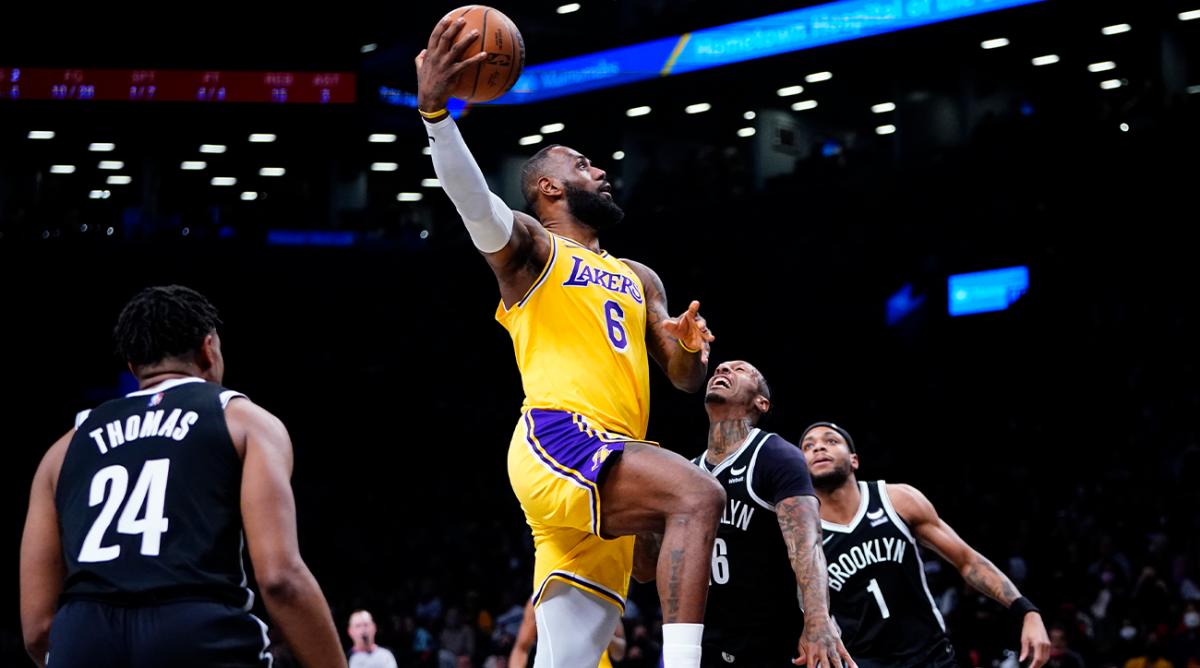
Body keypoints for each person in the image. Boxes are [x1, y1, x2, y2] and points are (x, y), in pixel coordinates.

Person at [416, 16, 725, 668]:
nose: (601, 170)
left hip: (615, 457)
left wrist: (689, 348)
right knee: (698, 495)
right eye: (582, 164)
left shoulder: (639, 277)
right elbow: (474, 204)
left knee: (574, 657)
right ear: (548, 187)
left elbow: (683, 380)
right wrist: (437, 117)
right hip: (561, 436)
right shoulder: (532, 250)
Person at [19, 285, 345, 668]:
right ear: (209, 349)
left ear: (133, 366)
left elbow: (37, 628)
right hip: (197, 633)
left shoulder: (62, 451)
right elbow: (280, 579)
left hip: (83, 640)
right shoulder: (244, 421)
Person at [646, 360, 854, 666]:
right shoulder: (686, 473)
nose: (722, 370)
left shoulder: (775, 455)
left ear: (761, 402)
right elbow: (645, 569)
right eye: (719, 368)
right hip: (707, 641)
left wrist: (818, 619)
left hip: (770, 641)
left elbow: (807, 546)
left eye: (739, 369)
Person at [799, 422, 1051, 668]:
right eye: (808, 446)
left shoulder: (897, 500)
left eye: (831, 441)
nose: (819, 448)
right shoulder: (802, 535)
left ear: (854, 460)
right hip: (862, 661)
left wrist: (1026, 611)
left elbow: (967, 561)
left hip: (931, 657)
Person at [508, 598, 626, 667]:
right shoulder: (540, 597)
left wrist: (606, 636)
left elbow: (619, 654)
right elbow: (521, 648)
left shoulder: (605, 597)